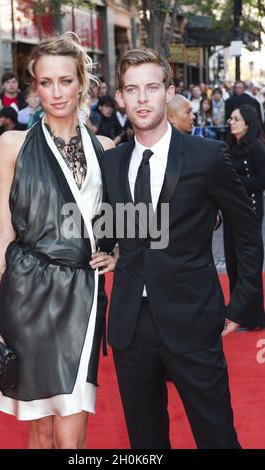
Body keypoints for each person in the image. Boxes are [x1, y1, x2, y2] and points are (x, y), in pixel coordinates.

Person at [92, 48, 263, 449]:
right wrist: (115, 252)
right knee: (145, 443)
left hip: (194, 319)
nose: (142, 98)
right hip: (131, 325)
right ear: (120, 98)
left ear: (168, 92)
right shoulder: (112, 162)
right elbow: (114, 228)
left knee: (216, 436)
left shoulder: (206, 156)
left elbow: (247, 232)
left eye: (152, 87)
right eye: (132, 89)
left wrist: (242, 303)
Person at [0, 33, 115, 449]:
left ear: (81, 83)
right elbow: (2, 229)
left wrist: (117, 252)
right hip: (26, 293)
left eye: (65, 81)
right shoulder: (13, 144)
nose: (56, 92)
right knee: (40, 425)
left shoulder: (105, 149)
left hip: (83, 295)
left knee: (72, 416)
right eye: (46, 82)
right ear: (35, 87)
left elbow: (115, 224)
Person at [224, 104, 265, 329]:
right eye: (230, 118)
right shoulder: (231, 145)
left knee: (248, 264)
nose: (231, 122)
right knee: (232, 263)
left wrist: (235, 183)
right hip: (231, 212)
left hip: (250, 213)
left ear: (247, 123)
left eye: (236, 118)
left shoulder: (256, 148)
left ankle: (254, 317)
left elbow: (262, 181)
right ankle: (237, 313)